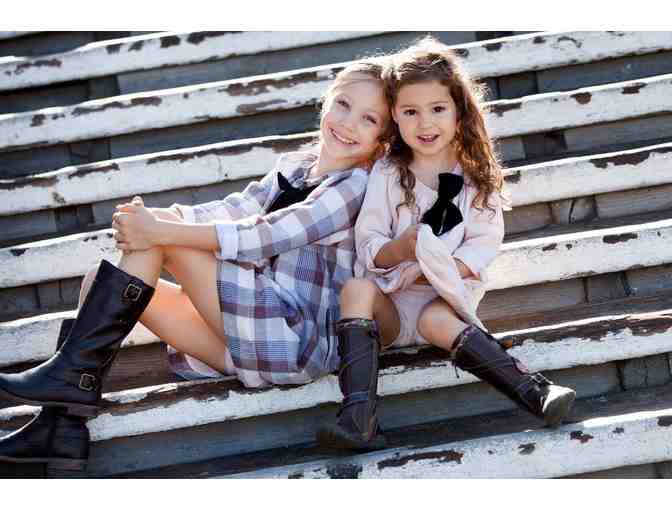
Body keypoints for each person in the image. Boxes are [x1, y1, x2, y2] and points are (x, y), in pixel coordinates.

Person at [0, 59, 393, 472]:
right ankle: (59, 430)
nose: (348, 123)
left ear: (382, 141)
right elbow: (236, 207)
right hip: (247, 335)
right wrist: (160, 217)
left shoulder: (354, 186)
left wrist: (160, 230)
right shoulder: (297, 165)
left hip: (290, 340)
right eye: (343, 104)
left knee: (165, 241)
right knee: (101, 278)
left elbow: (268, 233)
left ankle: (67, 386)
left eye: (368, 119)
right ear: (326, 101)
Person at [316, 37, 576, 452]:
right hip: (390, 302)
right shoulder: (388, 172)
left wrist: (443, 267)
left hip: (443, 298)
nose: (425, 124)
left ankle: (534, 390)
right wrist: (402, 250)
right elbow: (369, 241)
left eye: (437, 109)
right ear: (394, 117)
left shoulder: (474, 175)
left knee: (434, 321)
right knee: (355, 289)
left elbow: (484, 241)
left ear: (458, 110)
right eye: (410, 112)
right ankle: (359, 418)